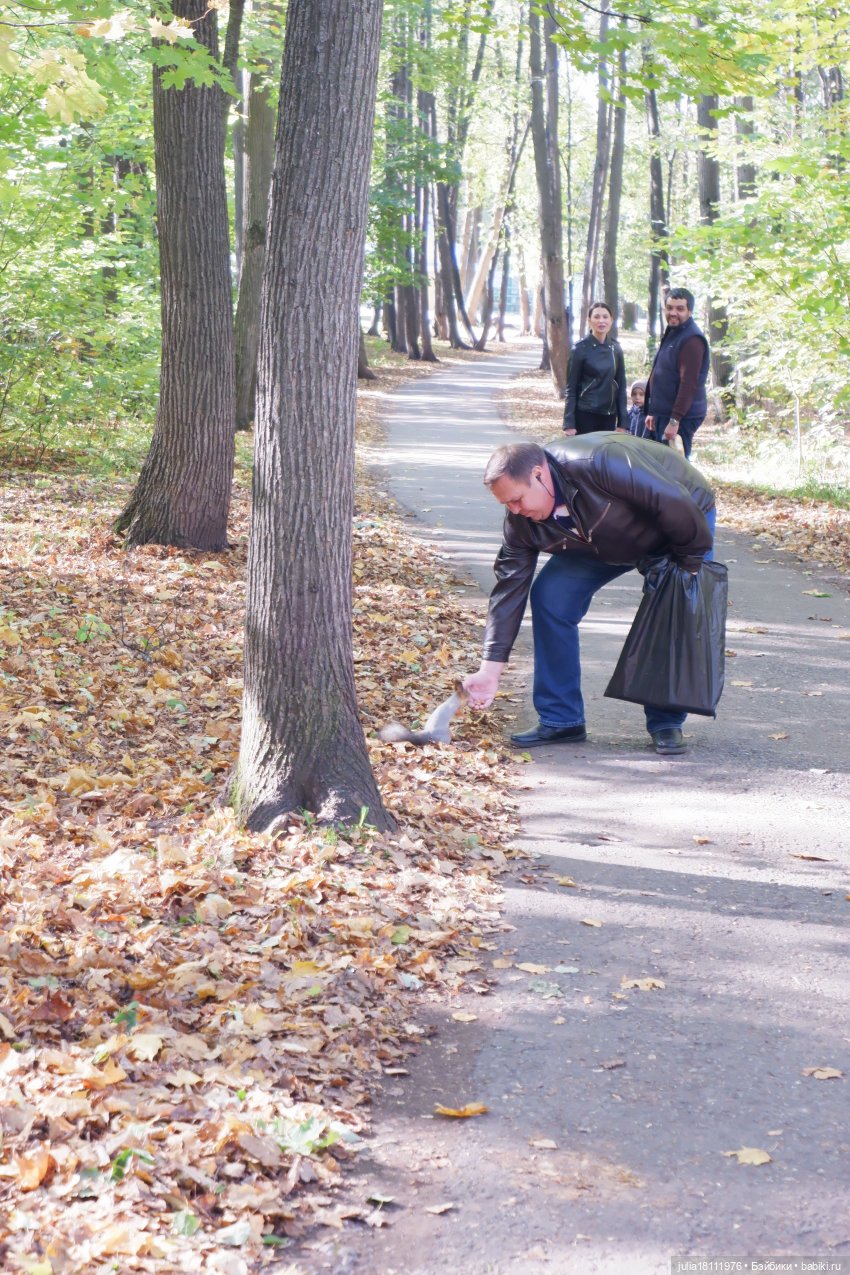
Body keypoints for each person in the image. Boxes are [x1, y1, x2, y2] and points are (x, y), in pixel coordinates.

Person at [463, 436, 716, 756]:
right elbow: (508, 592)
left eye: (518, 499)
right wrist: (490, 670)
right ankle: (561, 719)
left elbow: (675, 504)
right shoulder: (521, 522)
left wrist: (689, 568)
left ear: (539, 474)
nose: (515, 511)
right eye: (507, 505)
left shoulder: (602, 462)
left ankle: (666, 720)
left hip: (678, 516)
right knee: (550, 597)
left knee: (674, 605)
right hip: (598, 537)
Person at [644, 288, 710, 458]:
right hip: (665, 412)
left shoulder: (692, 340)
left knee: (675, 469)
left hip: (681, 417)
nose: (673, 313)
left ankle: (685, 486)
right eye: (669, 307)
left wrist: (675, 421)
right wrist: (653, 410)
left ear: (690, 311)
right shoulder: (674, 332)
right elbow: (664, 372)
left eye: (680, 309)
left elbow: (688, 384)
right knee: (662, 466)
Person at [562, 302, 628, 436]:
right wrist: (569, 422)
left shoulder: (616, 349)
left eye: (605, 317)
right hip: (585, 414)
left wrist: (623, 422)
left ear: (611, 320)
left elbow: (621, 387)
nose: (601, 321)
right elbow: (571, 388)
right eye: (597, 317)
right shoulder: (580, 349)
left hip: (609, 416)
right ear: (589, 320)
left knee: (605, 456)